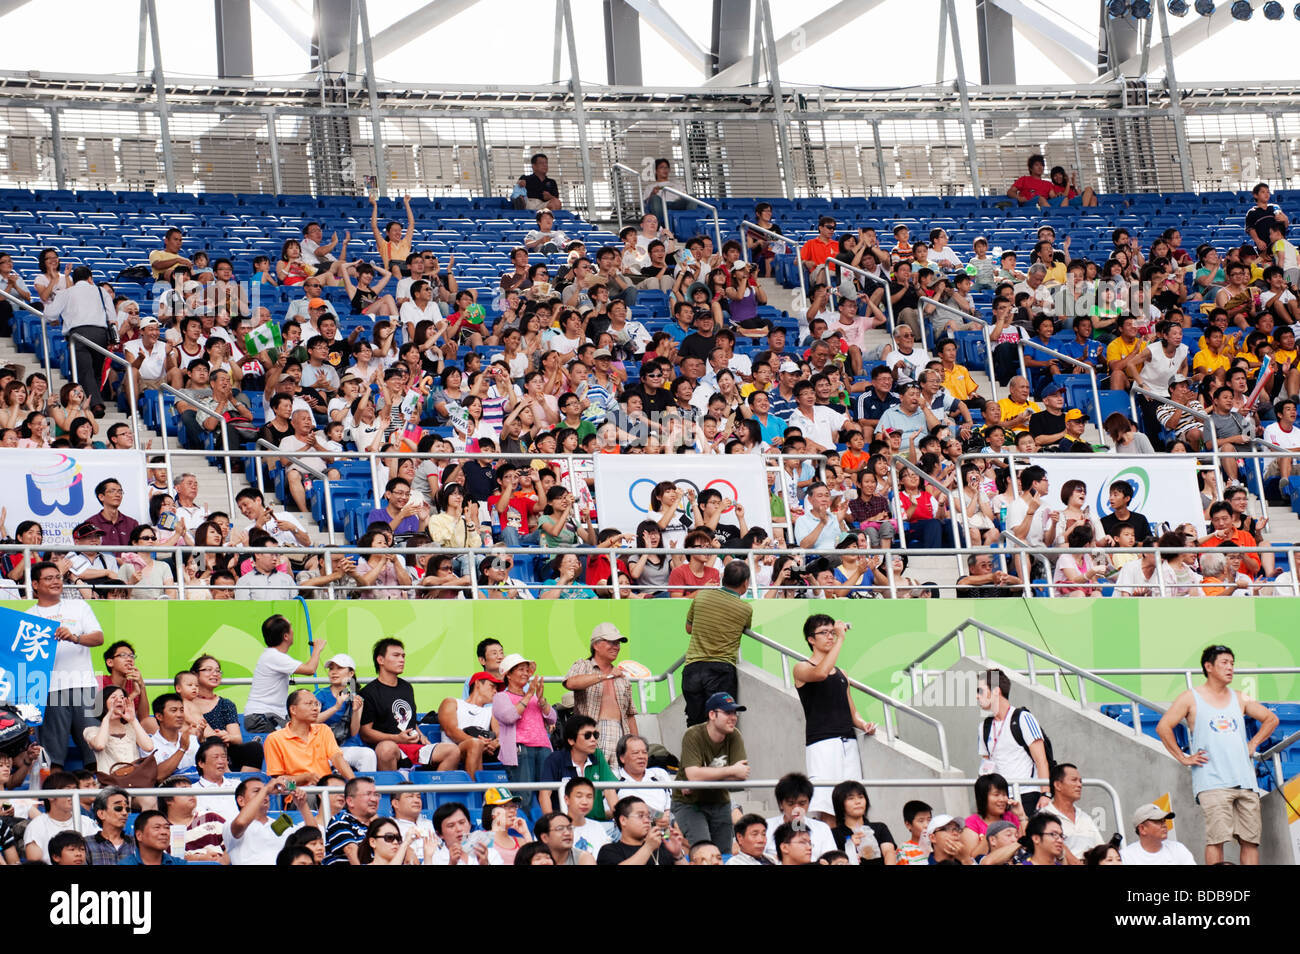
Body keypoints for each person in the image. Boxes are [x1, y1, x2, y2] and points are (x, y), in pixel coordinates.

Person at [1156, 644, 1278, 865]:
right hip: (1212, 782)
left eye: (1232, 663)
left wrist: (1253, 743)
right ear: (1208, 666)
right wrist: (1183, 757)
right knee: (1217, 839)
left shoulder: (1240, 697)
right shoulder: (1190, 697)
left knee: (1250, 841)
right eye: (1224, 663)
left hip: (1246, 781)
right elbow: (1164, 727)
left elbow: (1271, 719)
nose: (1230, 668)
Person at [793, 614, 876, 821]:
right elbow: (821, 673)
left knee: (852, 803)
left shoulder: (841, 673)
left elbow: (852, 711)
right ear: (811, 639)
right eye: (824, 633)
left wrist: (864, 724)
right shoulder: (802, 667)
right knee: (827, 803)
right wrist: (841, 639)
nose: (830, 637)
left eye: (832, 632)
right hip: (822, 743)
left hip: (848, 741)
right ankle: (830, 851)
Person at [26, 560, 104, 769]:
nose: (55, 582)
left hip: (84, 686)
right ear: (35, 584)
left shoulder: (79, 606)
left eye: (57, 577)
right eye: (48, 578)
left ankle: (98, 796)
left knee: (96, 752)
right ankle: (53, 798)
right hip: (49, 689)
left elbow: (98, 638)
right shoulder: (28, 616)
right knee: (53, 757)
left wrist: (74, 638)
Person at [672, 691, 748, 850]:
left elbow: (741, 775)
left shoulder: (735, 735)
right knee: (703, 848)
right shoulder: (693, 734)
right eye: (728, 712)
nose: (733, 717)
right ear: (712, 715)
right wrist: (731, 770)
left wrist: (700, 779)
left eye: (735, 713)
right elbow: (693, 775)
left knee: (723, 854)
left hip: (720, 802)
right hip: (689, 803)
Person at [681, 560, 752, 726]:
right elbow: (745, 628)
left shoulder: (702, 596)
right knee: (722, 722)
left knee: (695, 723)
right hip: (721, 670)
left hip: (692, 668)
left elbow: (688, 628)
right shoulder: (745, 608)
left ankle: (695, 752)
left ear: (722, 577)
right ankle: (718, 753)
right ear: (745, 583)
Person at [562, 622, 638, 766]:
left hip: (620, 733)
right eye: (611, 642)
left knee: (618, 783)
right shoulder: (583, 665)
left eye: (618, 643)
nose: (616, 646)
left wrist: (635, 744)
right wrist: (604, 676)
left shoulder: (622, 677)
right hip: (591, 733)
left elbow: (629, 715)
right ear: (596, 645)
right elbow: (570, 683)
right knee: (591, 780)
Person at [43, 265, 114, 414]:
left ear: (74, 281)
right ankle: (95, 402)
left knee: (85, 370)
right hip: (100, 334)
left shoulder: (66, 293)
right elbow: (112, 316)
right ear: (90, 279)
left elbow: (49, 315)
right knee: (94, 371)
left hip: (78, 335)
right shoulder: (101, 291)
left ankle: (95, 404)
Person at [492, 652, 556, 812]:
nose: (526, 674)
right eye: (521, 669)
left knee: (548, 796)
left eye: (527, 670)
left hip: (543, 749)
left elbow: (552, 718)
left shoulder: (534, 698)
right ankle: (525, 832)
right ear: (508, 675)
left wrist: (541, 700)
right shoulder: (501, 697)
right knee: (523, 797)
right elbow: (509, 717)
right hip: (520, 751)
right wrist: (528, 696)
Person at [243, 614, 326, 734]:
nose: (293, 630)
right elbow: (310, 669)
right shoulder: (274, 656)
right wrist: (317, 649)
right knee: (290, 740)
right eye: (291, 627)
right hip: (262, 716)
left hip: (270, 715)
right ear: (286, 636)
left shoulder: (273, 656)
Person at [977, 668, 1050, 800]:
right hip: (999, 799)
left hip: (1027, 794)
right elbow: (986, 766)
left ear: (996, 691)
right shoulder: (984, 727)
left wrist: (1045, 794)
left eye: (980, 691)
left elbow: (1041, 761)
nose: (977, 696)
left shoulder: (1023, 718)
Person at [264, 689, 357, 786]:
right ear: (293, 710)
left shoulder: (323, 730)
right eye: (309, 704)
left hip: (325, 790)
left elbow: (337, 758)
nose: (315, 708)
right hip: (298, 794)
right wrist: (301, 781)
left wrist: (354, 783)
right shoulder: (274, 739)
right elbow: (278, 781)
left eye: (316, 704)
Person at [226, 775, 323, 866]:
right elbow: (240, 823)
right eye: (257, 791)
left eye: (266, 793)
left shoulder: (281, 825)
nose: (265, 794)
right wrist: (265, 789)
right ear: (241, 801)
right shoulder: (230, 823)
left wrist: (302, 805)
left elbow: (314, 836)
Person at [359, 638, 424, 770]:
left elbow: (411, 721)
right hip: (390, 747)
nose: (402, 660)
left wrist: (422, 736)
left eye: (403, 656)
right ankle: (395, 790)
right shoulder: (368, 692)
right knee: (386, 748)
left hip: (414, 746)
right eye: (396, 655)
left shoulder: (407, 687)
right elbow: (365, 732)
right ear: (380, 660)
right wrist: (397, 738)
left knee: (451, 751)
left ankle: (429, 789)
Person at [539, 715, 618, 819]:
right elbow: (544, 795)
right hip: (568, 827)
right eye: (587, 735)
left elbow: (610, 791)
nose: (593, 739)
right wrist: (553, 825)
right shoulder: (555, 760)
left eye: (595, 735)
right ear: (571, 740)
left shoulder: (597, 755)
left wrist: (619, 818)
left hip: (599, 824)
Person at [315, 653, 379, 773]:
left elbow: (354, 731)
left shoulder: (356, 698)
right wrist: (336, 707)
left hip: (346, 747)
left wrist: (355, 711)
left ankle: (366, 790)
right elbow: (312, 720)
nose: (334, 672)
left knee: (368, 754)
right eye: (331, 668)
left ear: (351, 673)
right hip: (323, 747)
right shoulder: (320, 694)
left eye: (339, 668)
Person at [434, 671, 502, 777]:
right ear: (478, 683)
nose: (495, 691)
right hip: (453, 751)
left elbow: (500, 734)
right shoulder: (452, 702)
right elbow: (451, 731)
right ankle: (476, 792)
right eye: (492, 686)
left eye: (497, 689)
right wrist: (479, 742)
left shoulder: (492, 710)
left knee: (477, 744)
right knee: (475, 744)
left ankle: (476, 790)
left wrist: (494, 743)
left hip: (481, 751)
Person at [23, 771, 99, 862]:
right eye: (67, 790)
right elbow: (34, 863)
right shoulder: (36, 826)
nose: (72, 795)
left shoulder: (87, 822)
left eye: (75, 790)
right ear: (50, 796)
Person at [1036, 762, 1104, 864]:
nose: (1079, 785)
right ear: (1058, 785)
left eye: (1080, 781)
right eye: (1074, 780)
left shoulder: (1085, 818)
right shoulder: (1043, 816)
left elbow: (1100, 849)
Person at [762, 773, 838, 861]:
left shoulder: (822, 828)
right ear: (781, 804)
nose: (797, 809)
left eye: (802, 803)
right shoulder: (766, 827)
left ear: (809, 803)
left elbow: (832, 859)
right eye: (791, 803)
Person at [597, 795, 685, 865]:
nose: (647, 820)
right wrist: (648, 847)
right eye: (640, 816)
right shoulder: (609, 851)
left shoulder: (662, 848)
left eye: (648, 816)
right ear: (623, 820)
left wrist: (677, 855)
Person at [324, 776, 380, 865]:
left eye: (376, 794)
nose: (374, 799)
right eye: (368, 794)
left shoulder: (379, 826)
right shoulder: (340, 820)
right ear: (350, 801)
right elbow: (350, 850)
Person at [1119, 802, 1196, 866]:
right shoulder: (1126, 856)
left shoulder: (1178, 849)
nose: (1164, 825)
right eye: (1158, 821)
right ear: (1142, 829)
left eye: (1164, 821)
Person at [427, 802, 504, 865]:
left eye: (462, 822)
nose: (459, 829)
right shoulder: (434, 859)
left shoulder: (489, 853)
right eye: (451, 826)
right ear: (439, 834)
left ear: (470, 825)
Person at [86, 786, 134, 866]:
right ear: (101, 814)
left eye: (127, 809)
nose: (125, 813)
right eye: (118, 808)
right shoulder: (86, 844)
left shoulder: (137, 844)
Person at [120, 810, 187, 865]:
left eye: (167, 828)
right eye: (157, 827)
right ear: (139, 835)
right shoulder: (126, 864)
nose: (164, 832)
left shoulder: (179, 863)